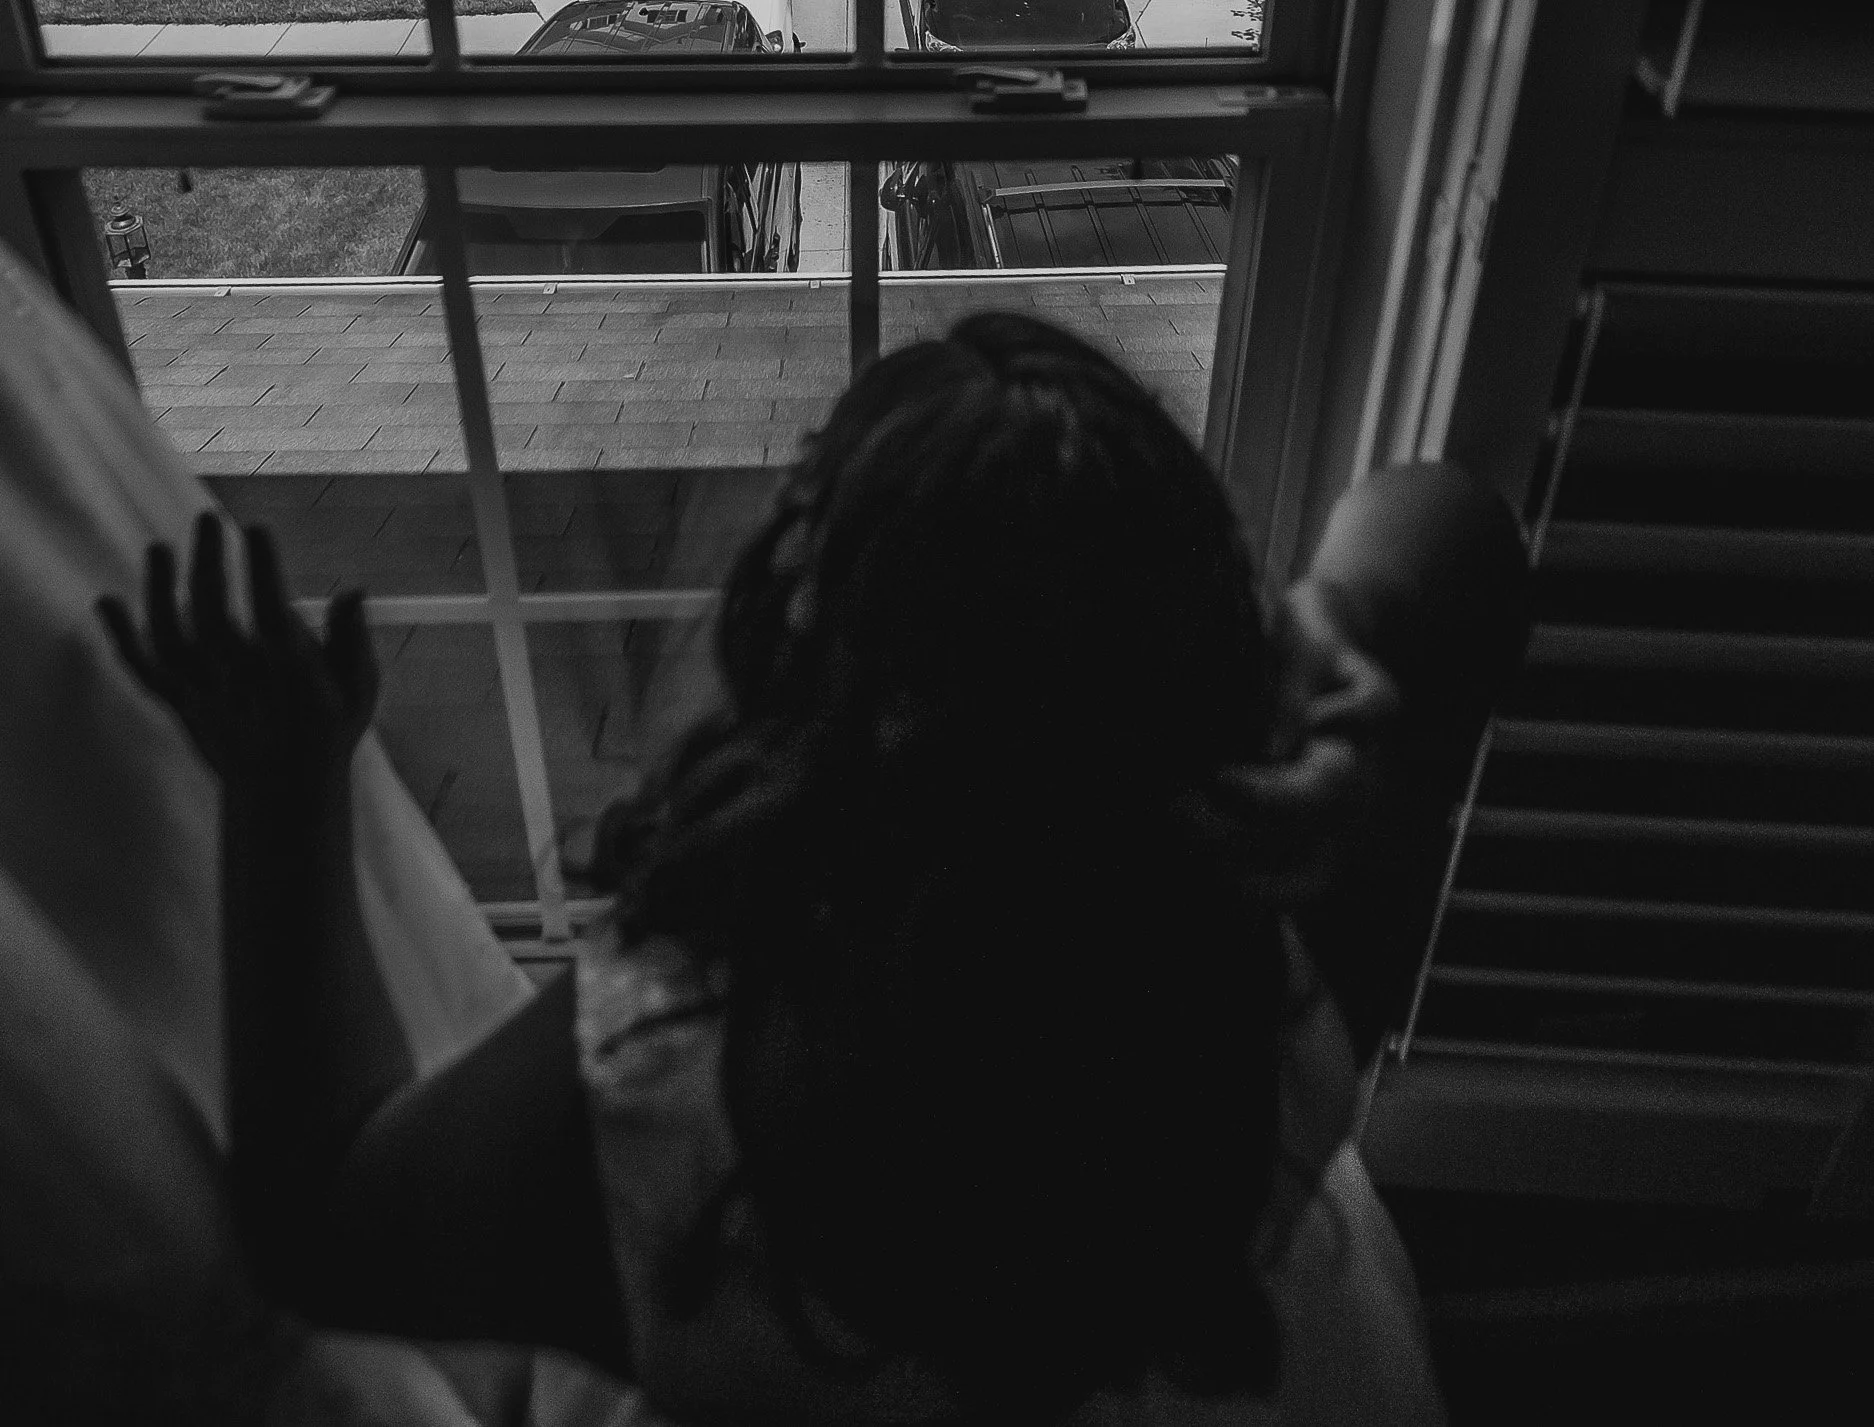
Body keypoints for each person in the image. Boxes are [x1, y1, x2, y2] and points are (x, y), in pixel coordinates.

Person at [99, 318, 1523, 1425]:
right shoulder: (1286, 927)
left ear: (829, 687)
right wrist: (1325, 627)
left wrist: (285, 785)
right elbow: (1445, 526)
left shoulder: (671, 1094)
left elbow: (320, 1228)